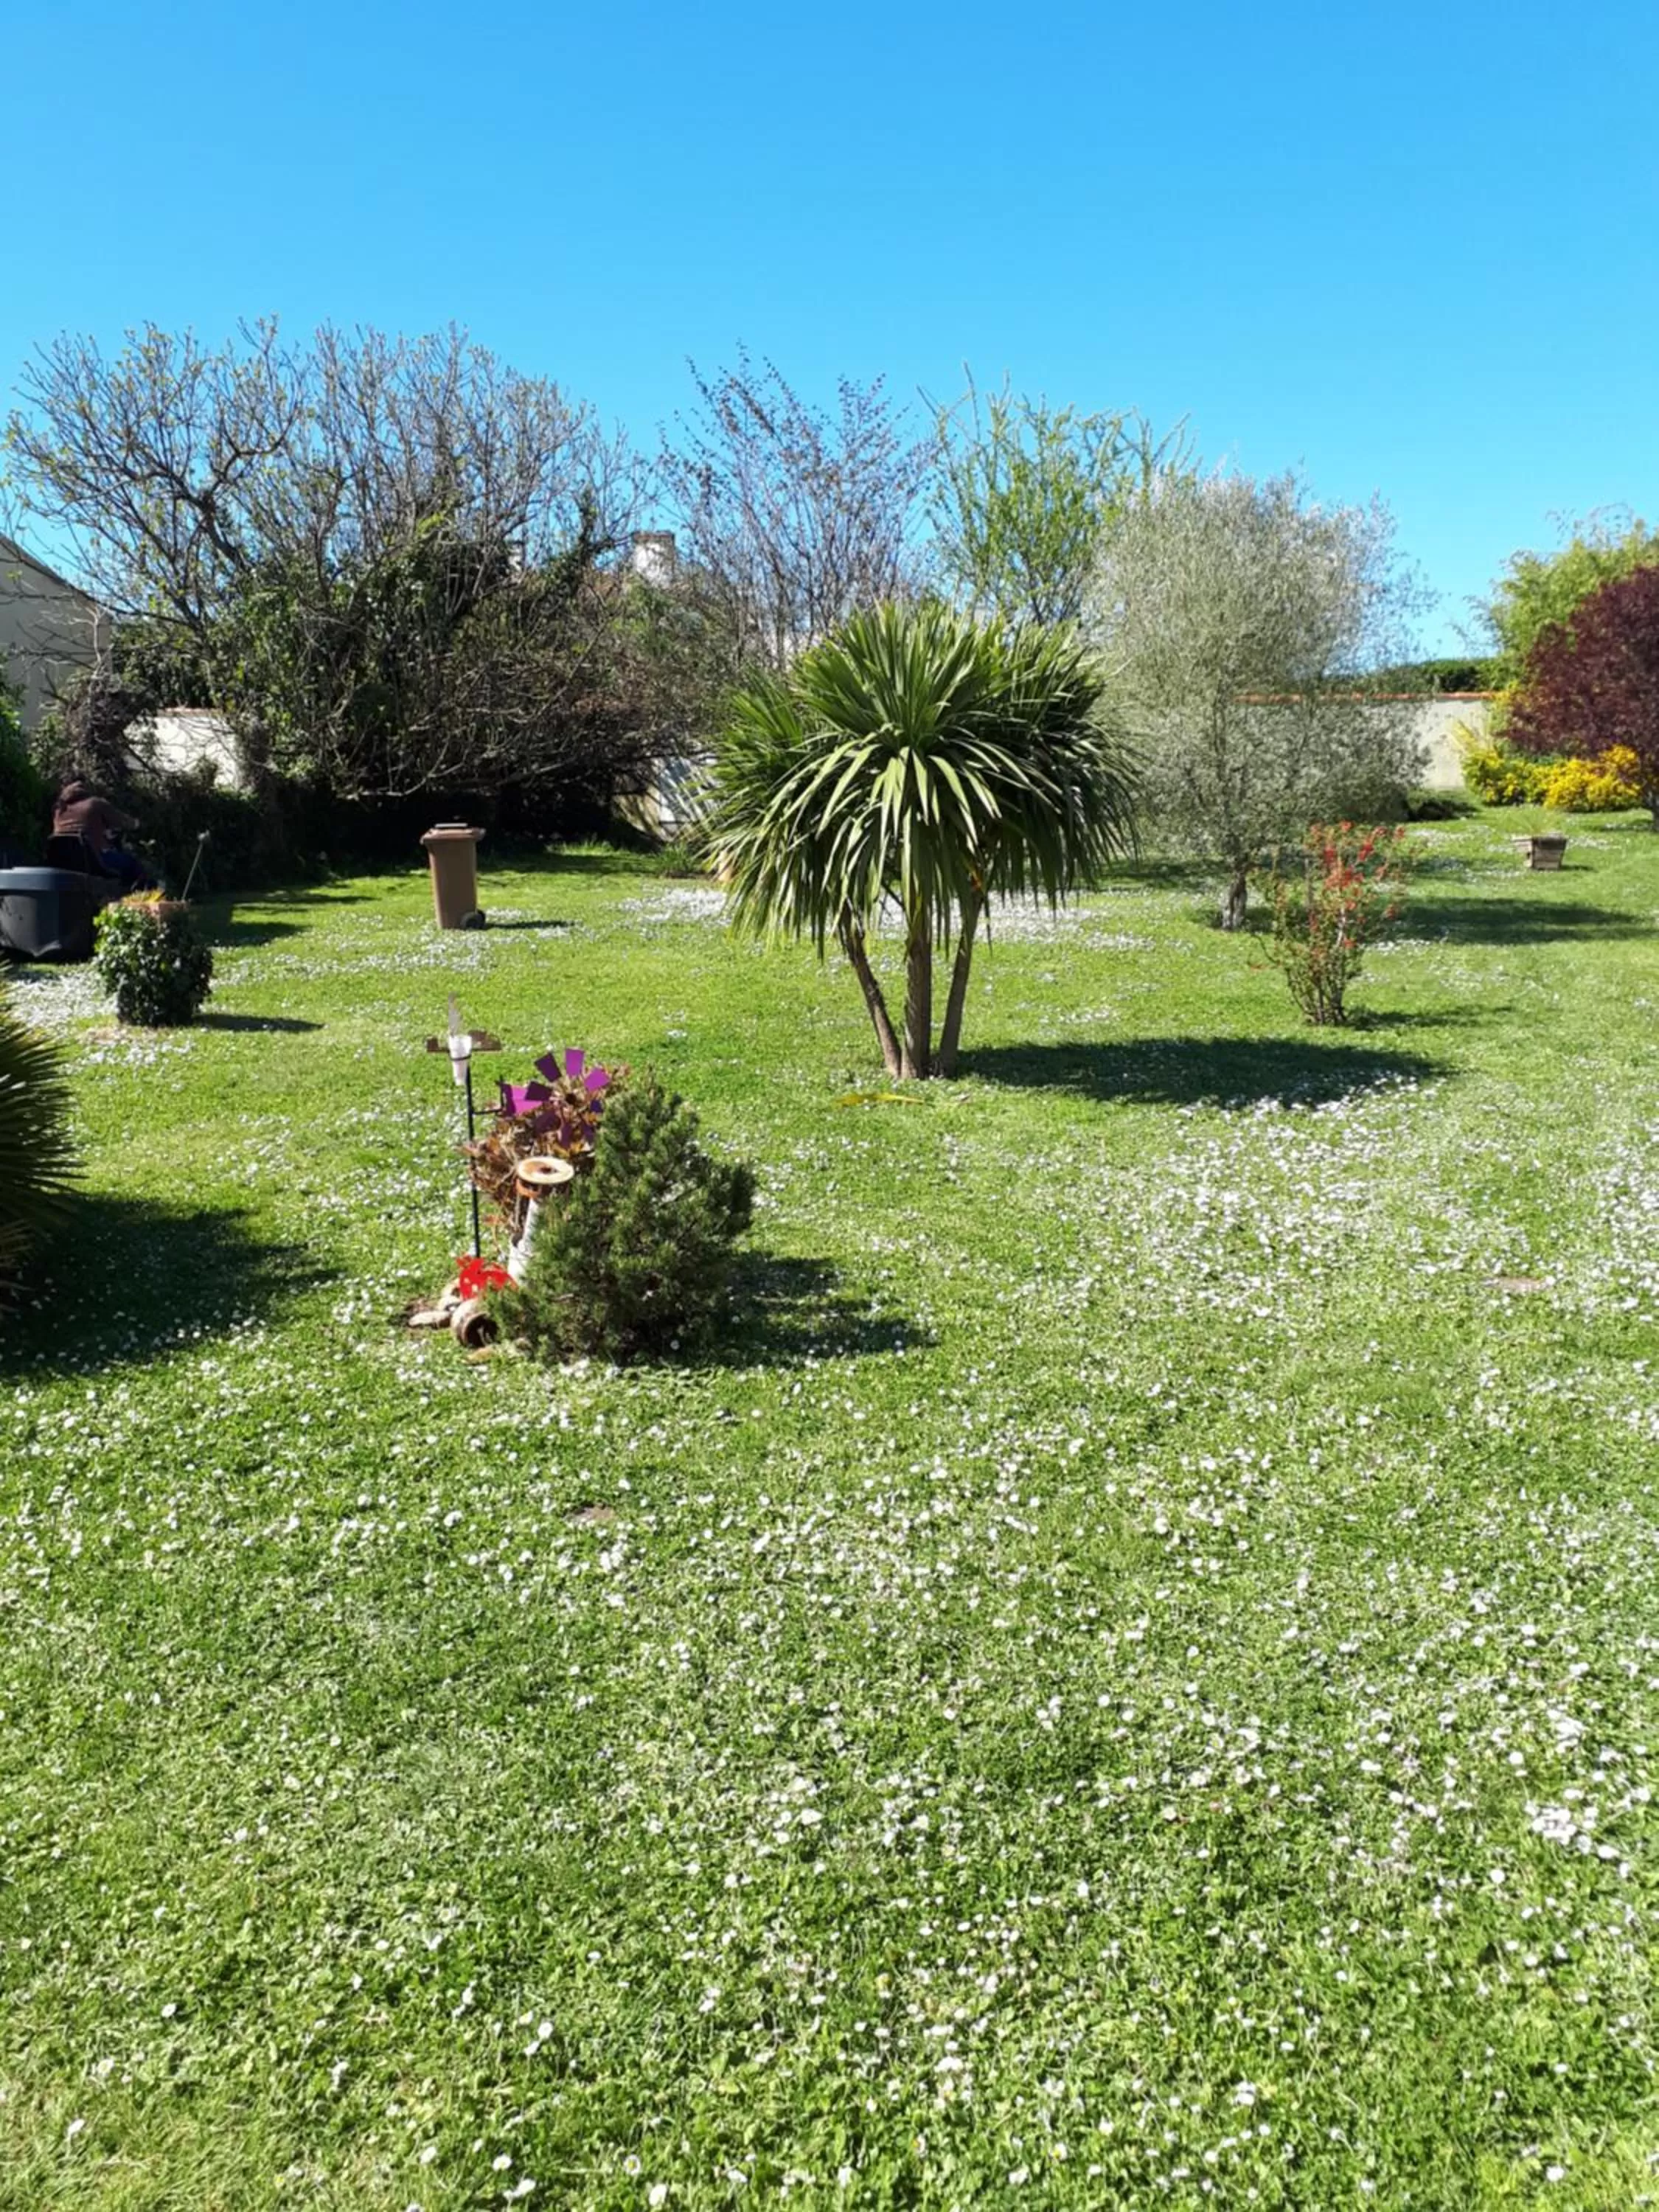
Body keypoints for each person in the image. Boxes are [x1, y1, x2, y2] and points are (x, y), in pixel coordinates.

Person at [52, 779, 157, 890]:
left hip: (65, 861)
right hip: (95, 860)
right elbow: (122, 821)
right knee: (132, 864)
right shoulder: (94, 803)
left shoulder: (59, 810)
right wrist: (137, 824)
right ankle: (133, 899)